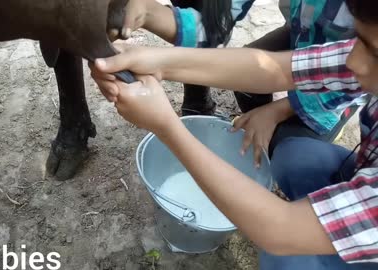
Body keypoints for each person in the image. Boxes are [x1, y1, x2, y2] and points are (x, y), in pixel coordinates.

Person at [89, 0, 377, 269]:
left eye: (372, 52)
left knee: (287, 257)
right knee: (294, 155)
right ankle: (331, 212)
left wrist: (166, 126)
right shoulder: (364, 53)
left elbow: (280, 230)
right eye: (358, 41)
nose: (353, 61)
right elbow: (274, 69)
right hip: (366, 166)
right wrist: (157, 62)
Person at [113, 0, 367, 167]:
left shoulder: (365, 47)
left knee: (292, 158)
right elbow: (217, 26)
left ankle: (312, 126)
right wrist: (149, 13)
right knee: (247, 86)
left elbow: (356, 69)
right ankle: (263, 124)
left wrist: (167, 126)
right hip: (301, 34)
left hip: (348, 81)